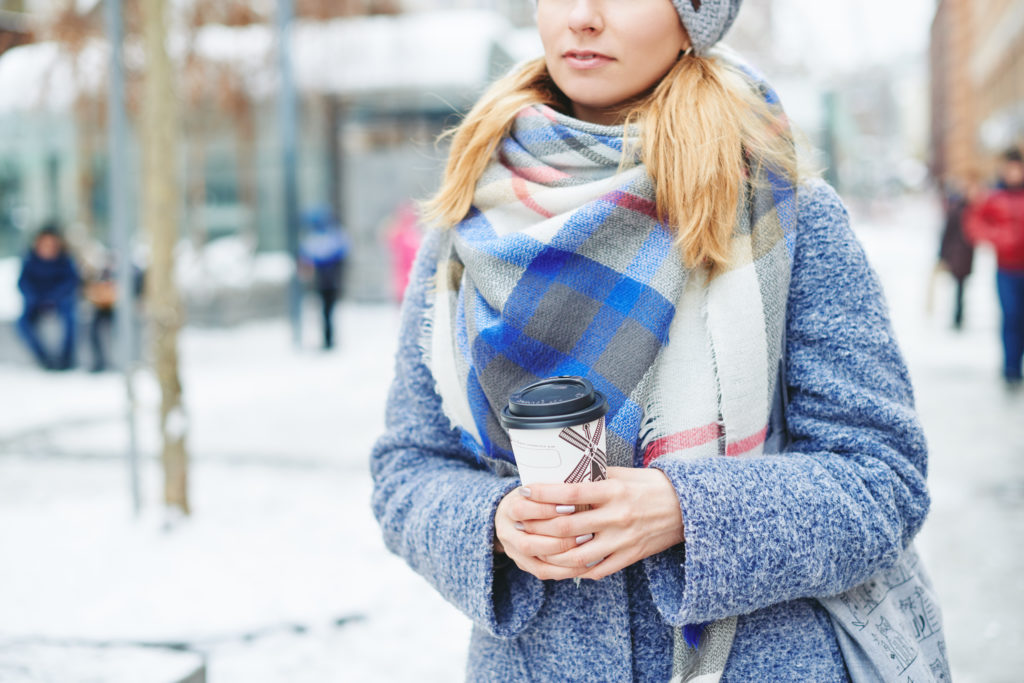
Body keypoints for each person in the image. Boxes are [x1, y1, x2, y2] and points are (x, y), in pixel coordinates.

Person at [371, 1, 947, 680]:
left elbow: (884, 476)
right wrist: (495, 523)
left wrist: (686, 511)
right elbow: (407, 466)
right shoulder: (468, 216)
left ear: (692, 20)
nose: (582, 18)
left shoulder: (782, 210)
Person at [966, 147, 1024, 389]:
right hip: (1006, 269)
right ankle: (1011, 369)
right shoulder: (993, 197)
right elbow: (974, 223)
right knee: (1010, 316)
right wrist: (998, 237)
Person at [17, 224, 81, 370]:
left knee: (71, 317)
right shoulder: (29, 261)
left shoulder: (64, 260)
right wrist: (35, 298)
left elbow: (71, 282)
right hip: (36, 302)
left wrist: (53, 298)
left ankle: (66, 359)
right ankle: (43, 358)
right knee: (22, 323)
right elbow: (23, 283)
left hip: (59, 301)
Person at [298, 206, 350, 349]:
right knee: (326, 311)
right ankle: (328, 338)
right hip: (327, 279)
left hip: (326, 279)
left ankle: (328, 339)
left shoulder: (323, 236)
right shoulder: (333, 235)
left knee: (326, 310)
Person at [937, 177, 976, 329]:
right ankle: (958, 317)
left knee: (960, 287)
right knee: (959, 287)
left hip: (965, 255)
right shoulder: (958, 210)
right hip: (958, 255)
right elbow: (947, 233)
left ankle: (958, 316)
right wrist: (942, 254)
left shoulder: (970, 209)